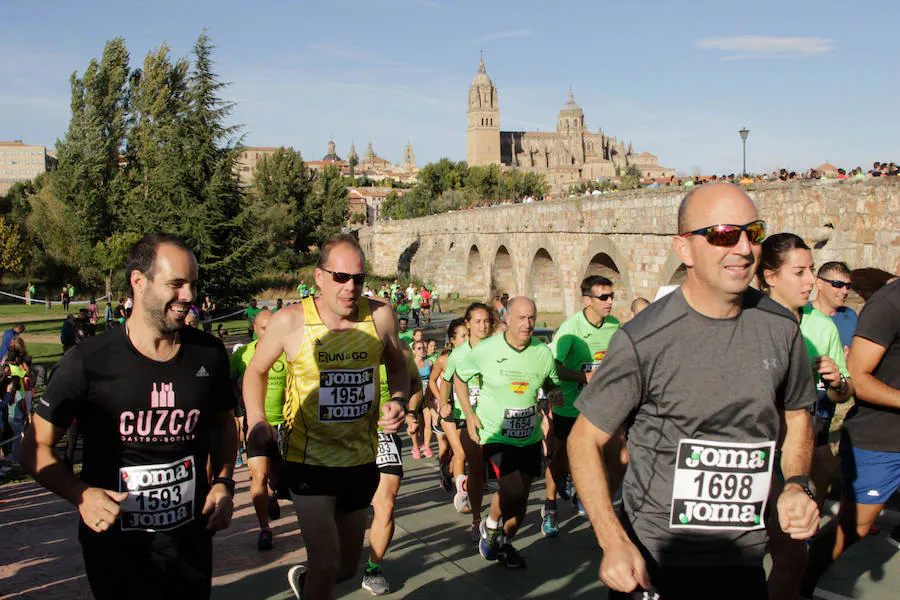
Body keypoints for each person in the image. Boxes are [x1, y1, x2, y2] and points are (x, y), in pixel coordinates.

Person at [569, 183, 819, 599]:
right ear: (684, 250)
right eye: (723, 234)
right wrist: (611, 539)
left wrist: (796, 483)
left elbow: (796, 417)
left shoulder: (781, 328)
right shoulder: (642, 339)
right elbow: (583, 441)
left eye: (752, 233)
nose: (743, 248)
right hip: (656, 562)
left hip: (743, 562)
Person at [20, 233, 238, 600]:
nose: (189, 296)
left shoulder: (209, 355)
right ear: (139, 281)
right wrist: (80, 494)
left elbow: (222, 424)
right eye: (177, 284)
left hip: (190, 543)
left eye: (193, 285)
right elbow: (33, 449)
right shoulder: (87, 362)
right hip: (116, 549)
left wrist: (224, 482)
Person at [242, 233, 409, 600]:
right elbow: (255, 371)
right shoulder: (290, 321)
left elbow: (399, 368)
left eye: (359, 279)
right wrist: (257, 421)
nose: (350, 287)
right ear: (319, 277)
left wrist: (397, 400)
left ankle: (307, 582)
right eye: (340, 277)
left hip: (361, 459)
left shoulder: (380, 317)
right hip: (308, 461)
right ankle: (315, 576)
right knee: (327, 563)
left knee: (347, 569)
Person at [756, 233, 853, 599]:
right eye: (800, 272)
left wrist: (836, 378)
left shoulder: (822, 326)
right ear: (770, 277)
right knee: (745, 555)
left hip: (803, 448)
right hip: (755, 453)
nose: (812, 280)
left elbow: (843, 393)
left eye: (811, 270)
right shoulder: (747, 320)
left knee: (793, 556)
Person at [802, 278, 900, 595]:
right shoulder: (890, 304)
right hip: (883, 440)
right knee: (852, 527)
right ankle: (798, 586)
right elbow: (856, 377)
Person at [455, 296, 559, 568]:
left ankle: (504, 542)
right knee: (511, 486)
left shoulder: (542, 352)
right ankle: (489, 526)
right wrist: (468, 413)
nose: (528, 324)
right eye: (522, 318)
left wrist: (555, 395)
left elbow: (551, 384)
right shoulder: (486, 349)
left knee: (521, 502)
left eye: (532, 318)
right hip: (496, 433)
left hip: (530, 436)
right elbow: (459, 377)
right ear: (508, 319)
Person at [541, 275, 620, 537]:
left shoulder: (614, 325)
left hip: (600, 406)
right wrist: (583, 377)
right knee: (562, 460)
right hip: (570, 406)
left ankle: (586, 497)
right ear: (587, 300)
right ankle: (550, 507)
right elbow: (553, 367)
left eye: (611, 296)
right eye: (603, 297)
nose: (609, 302)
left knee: (611, 457)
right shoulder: (570, 329)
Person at [364, 342, 423, 595]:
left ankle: (372, 569)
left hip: (383, 435)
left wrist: (410, 413)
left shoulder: (401, 352)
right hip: (346, 436)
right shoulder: (344, 344)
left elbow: (416, 386)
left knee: (386, 505)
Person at [231, 309, 287, 551]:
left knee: (278, 478)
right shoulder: (243, 355)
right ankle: (264, 528)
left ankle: (273, 495)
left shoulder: (287, 351)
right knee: (259, 477)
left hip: (284, 424)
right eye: (265, 328)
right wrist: (240, 415)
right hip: (255, 425)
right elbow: (230, 384)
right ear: (255, 328)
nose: (270, 333)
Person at [439, 305, 493, 534]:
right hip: (465, 417)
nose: (483, 326)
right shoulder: (457, 355)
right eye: (478, 321)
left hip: (493, 416)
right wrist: (443, 404)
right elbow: (446, 383)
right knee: (478, 466)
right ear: (468, 323)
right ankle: (477, 518)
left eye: (487, 321)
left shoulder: (496, 349)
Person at [811, 262, 857, 351]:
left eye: (848, 286)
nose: (845, 291)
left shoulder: (850, 316)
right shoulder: (802, 314)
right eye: (837, 284)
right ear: (819, 284)